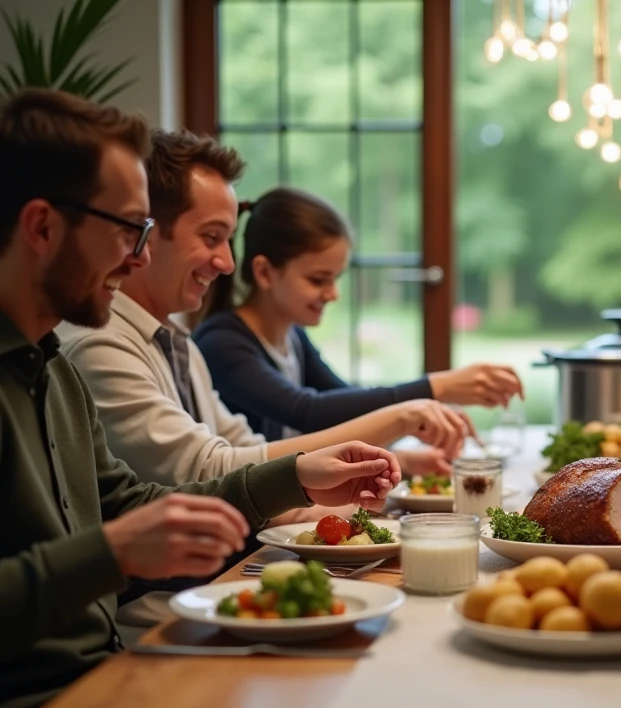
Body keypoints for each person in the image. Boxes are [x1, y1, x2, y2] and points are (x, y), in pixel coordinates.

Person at [0, 88, 401, 708]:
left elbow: (129, 499)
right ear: (42, 227)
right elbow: (121, 530)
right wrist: (114, 552)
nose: (136, 254)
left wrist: (296, 477)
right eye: (128, 228)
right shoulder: (77, 353)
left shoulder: (54, 367)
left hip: (102, 684)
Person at [60, 129, 469, 491]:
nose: (227, 263)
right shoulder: (104, 345)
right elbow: (211, 468)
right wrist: (406, 413)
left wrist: (377, 463)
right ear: (145, 233)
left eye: (228, 241)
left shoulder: (179, 344)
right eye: (211, 237)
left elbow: (245, 449)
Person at [191, 186, 523, 441]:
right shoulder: (222, 343)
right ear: (264, 272)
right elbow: (309, 411)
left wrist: (419, 422)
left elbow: (341, 401)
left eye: (335, 279)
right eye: (318, 280)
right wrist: (437, 387)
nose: (333, 293)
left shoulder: (292, 336)